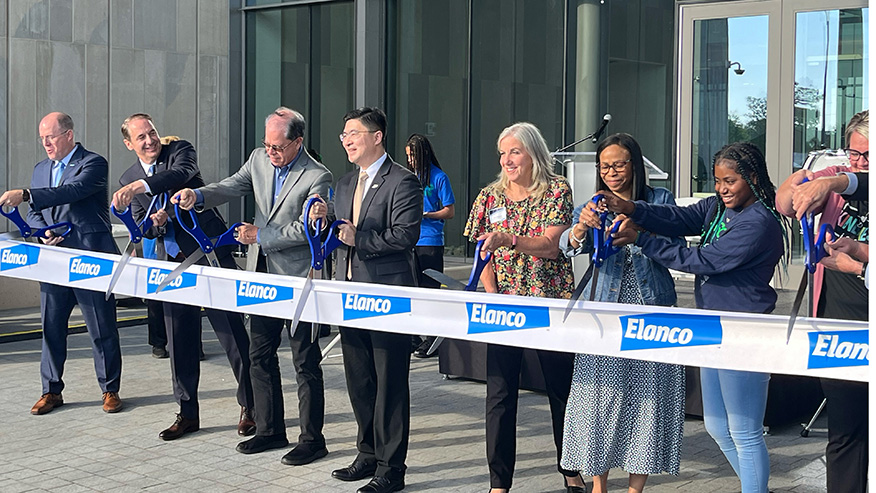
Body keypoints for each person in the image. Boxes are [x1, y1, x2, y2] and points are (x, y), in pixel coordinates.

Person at [599, 142, 788, 493]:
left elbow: (704, 260)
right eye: (717, 181)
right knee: (717, 426)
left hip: (744, 330)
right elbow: (678, 218)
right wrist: (632, 208)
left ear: (752, 177)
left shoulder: (759, 222)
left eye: (730, 181)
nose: (722, 189)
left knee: (745, 432)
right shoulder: (718, 207)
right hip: (711, 326)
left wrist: (642, 239)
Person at [174, 107, 333, 466]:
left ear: (297, 142)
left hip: (300, 279)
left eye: (278, 146)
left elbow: (307, 230)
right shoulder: (259, 159)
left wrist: (260, 234)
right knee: (259, 354)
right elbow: (231, 185)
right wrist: (196, 197)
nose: (271, 152)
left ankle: (312, 439)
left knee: (305, 361)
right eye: (266, 144)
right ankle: (270, 429)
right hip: (263, 275)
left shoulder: (317, 176)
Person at [111, 113, 255, 441]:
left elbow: (181, 175)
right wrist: (156, 223)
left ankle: (252, 408)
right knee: (179, 341)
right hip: (170, 266)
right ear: (128, 144)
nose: (149, 141)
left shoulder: (178, 152)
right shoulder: (127, 177)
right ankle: (187, 412)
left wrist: (141, 187)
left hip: (208, 255)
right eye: (141, 137)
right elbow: (141, 224)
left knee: (231, 333)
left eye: (152, 133)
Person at [558, 133, 684, 493]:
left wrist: (640, 230)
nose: (612, 172)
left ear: (635, 165)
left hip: (651, 305)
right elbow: (567, 246)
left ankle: (635, 488)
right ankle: (598, 484)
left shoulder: (658, 200)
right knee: (599, 396)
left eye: (619, 164)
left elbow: (675, 245)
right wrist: (581, 226)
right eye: (605, 166)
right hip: (604, 311)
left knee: (646, 398)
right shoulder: (595, 203)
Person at [463, 122, 584, 493]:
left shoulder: (557, 189)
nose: (507, 160)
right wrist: (493, 294)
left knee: (562, 391)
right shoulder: (489, 196)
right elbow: (481, 253)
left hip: (549, 304)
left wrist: (509, 239)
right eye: (503, 153)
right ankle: (499, 482)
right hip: (505, 306)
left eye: (514, 151)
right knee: (499, 394)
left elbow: (551, 245)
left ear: (533, 152)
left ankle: (571, 470)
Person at [312, 107, 422, 493]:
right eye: (343, 135)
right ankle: (368, 453)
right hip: (348, 293)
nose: (346, 140)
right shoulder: (343, 185)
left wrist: (360, 238)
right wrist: (325, 220)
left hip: (386, 296)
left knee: (389, 382)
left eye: (354, 133)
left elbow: (404, 237)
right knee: (359, 380)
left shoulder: (403, 182)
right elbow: (341, 235)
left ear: (377, 136)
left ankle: (392, 469)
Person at [0, 112, 123, 415]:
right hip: (53, 261)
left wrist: (27, 195)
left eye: (51, 136)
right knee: (51, 326)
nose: (46, 143)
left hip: (89, 257)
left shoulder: (93, 163)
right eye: (42, 138)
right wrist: (43, 233)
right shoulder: (41, 169)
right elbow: (34, 214)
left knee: (101, 325)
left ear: (68, 135)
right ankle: (51, 390)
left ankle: (110, 389)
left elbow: (72, 192)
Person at [775, 110, 868, 493]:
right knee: (845, 430)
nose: (859, 163)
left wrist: (859, 257)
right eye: (854, 153)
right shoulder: (836, 183)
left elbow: (858, 183)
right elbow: (784, 203)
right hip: (835, 321)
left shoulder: (843, 181)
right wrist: (806, 182)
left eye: (868, 155)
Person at [404, 133, 455, 358]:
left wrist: (427, 214)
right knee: (411, 289)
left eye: (413, 155)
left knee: (430, 290)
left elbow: (449, 210)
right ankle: (413, 336)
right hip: (410, 240)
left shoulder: (438, 177)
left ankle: (433, 339)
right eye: (408, 156)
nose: (410, 160)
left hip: (430, 240)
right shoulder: (408, 177)